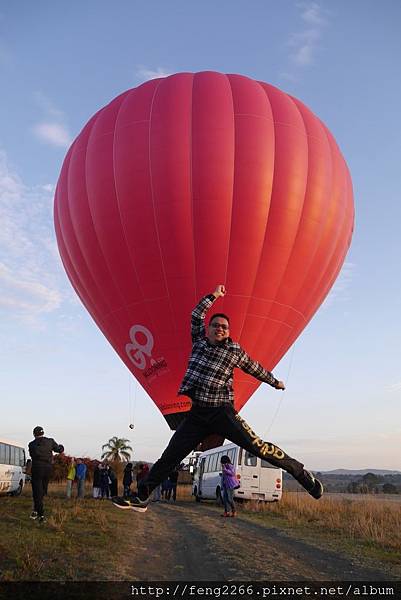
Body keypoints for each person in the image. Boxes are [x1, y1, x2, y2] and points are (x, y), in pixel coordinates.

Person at [113, 284, 323, 513]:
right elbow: (196, 315)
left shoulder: (234, 351)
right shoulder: (199, 342)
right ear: (209, 329)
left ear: (228, 332)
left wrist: (274, 382)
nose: (219, 329)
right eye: (215, 325)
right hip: (197, 414)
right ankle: (141, 497)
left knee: (258, 447)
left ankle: (302, 474)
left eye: (224, 327)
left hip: (222, 413)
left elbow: (255, 369)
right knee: (170, 456)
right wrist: (214, 295)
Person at [28, 426, 64, 522]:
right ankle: (36, 510)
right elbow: (59, 450)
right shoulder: (50, 441)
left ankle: (41, 515)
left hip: (37, 468)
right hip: (48, 469)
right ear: (43, 433)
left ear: (34, 434)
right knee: (43, 491)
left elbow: (32, 455)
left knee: (37, 492)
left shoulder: (31, 444)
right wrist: (61, 446)